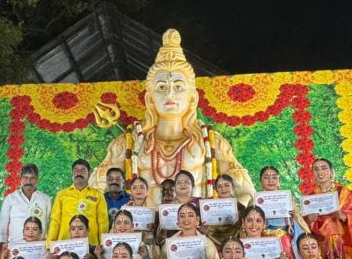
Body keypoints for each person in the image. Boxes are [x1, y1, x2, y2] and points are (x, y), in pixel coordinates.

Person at [89, 29, 255, 204]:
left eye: (178, 87)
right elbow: (93, 191)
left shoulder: (209, 141)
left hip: (195, 227)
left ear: (193, 97)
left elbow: (246, 192)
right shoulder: (130, 141)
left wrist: (229, 217)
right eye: (161, 87)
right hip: (144, 227)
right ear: (149, 98)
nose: (170, 94)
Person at [0, 163, 52, 259]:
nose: (28, 181)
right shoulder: (11, 199)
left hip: (39, 252)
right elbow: (1, 228)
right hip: (16, 251)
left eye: (32, 178)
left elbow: (50, 227)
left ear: (37, 179)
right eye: (25, 178)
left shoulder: (45, 199)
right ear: (20, 179)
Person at [47, 159, 109, 247]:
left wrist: (103, 245)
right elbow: (55, 221)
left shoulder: (98, 195)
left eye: (83, 170)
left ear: (89, 173)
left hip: (91, 244)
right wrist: (50, 245)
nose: (79, 173)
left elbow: (103, 222)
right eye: (76, 170)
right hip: (65, 244)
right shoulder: (61, 195)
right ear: (72, 173)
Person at [258, 165, 310, 259]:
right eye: (266, 177)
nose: (270, 180)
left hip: (286, 241)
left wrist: (295, 216)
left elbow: (298, 221)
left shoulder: (288, 199)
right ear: (260, 181)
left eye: (274, 177)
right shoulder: (256, 200)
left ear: (279, 181)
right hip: (264, 241)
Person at [205, 173, 245, 249]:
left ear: (232, 187)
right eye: (219, 186)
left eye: (226, 185)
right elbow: (207, 229)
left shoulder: (240, 208)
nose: (223, 189)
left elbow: (243, 228)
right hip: (213, 245)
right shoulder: (209, 207)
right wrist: (203, 230)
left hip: (235, 244)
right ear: (216, 190)